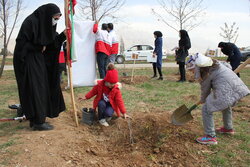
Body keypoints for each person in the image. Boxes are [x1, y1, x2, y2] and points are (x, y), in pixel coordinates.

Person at [13, 3, 66, 131]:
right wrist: (37, 47)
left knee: (42, 88)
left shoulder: (45, 25)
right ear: (48, 15)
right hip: (27, 61)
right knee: (36, 89)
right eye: (55, 18)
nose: (56, 21)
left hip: (38, 60)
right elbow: (21, 45)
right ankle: (37, 122)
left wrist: (63, 35)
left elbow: (50, 44)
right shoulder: (31, 22)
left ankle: (36, 118)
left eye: (58, 19)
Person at [186, 53, 250, 145]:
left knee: (206, 109)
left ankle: (210, 137)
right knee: (226, 105)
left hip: (226, 89)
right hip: (236, 86)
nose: (191, 72)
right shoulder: (216, 64)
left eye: (192, 69)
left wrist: (203, 100)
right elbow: (228, 66)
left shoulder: (207, 73)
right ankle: (228, 128)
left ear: (198, 66)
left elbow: (205, 90)